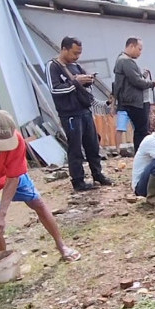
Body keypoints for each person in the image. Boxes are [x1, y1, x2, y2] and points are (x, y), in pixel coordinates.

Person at [0, 107, 80, 263]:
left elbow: (14, 176)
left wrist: (2, 212)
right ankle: (4, 260)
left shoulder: (16, 140)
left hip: (9, 174)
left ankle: (61, 245)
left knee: (38, 203)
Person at [46, 36, 112, 192]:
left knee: (93, 144)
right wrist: (76, 81)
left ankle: (98, 174)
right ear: (64, 49)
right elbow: (55, 89)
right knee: (75, 148)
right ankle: (78, 181)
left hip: (85, 111)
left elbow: (83, 86)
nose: (76, 57)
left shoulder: (75, 66)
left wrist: (89, 80)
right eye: (74, 53)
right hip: (70, 114)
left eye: (79, 53)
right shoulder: (52, 66)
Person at [113, 37, 155, 152]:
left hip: (135, 101)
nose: (140, 52)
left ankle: (142, 154)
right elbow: (137, 81)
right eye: (139, 49)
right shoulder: (125, 61)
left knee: (142, 130)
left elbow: (136, 79)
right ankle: (142, 155)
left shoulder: (123, 60)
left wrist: (144, 76)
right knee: (141, 131)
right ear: (131, 46)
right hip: (136, 102)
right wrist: (153, 83)